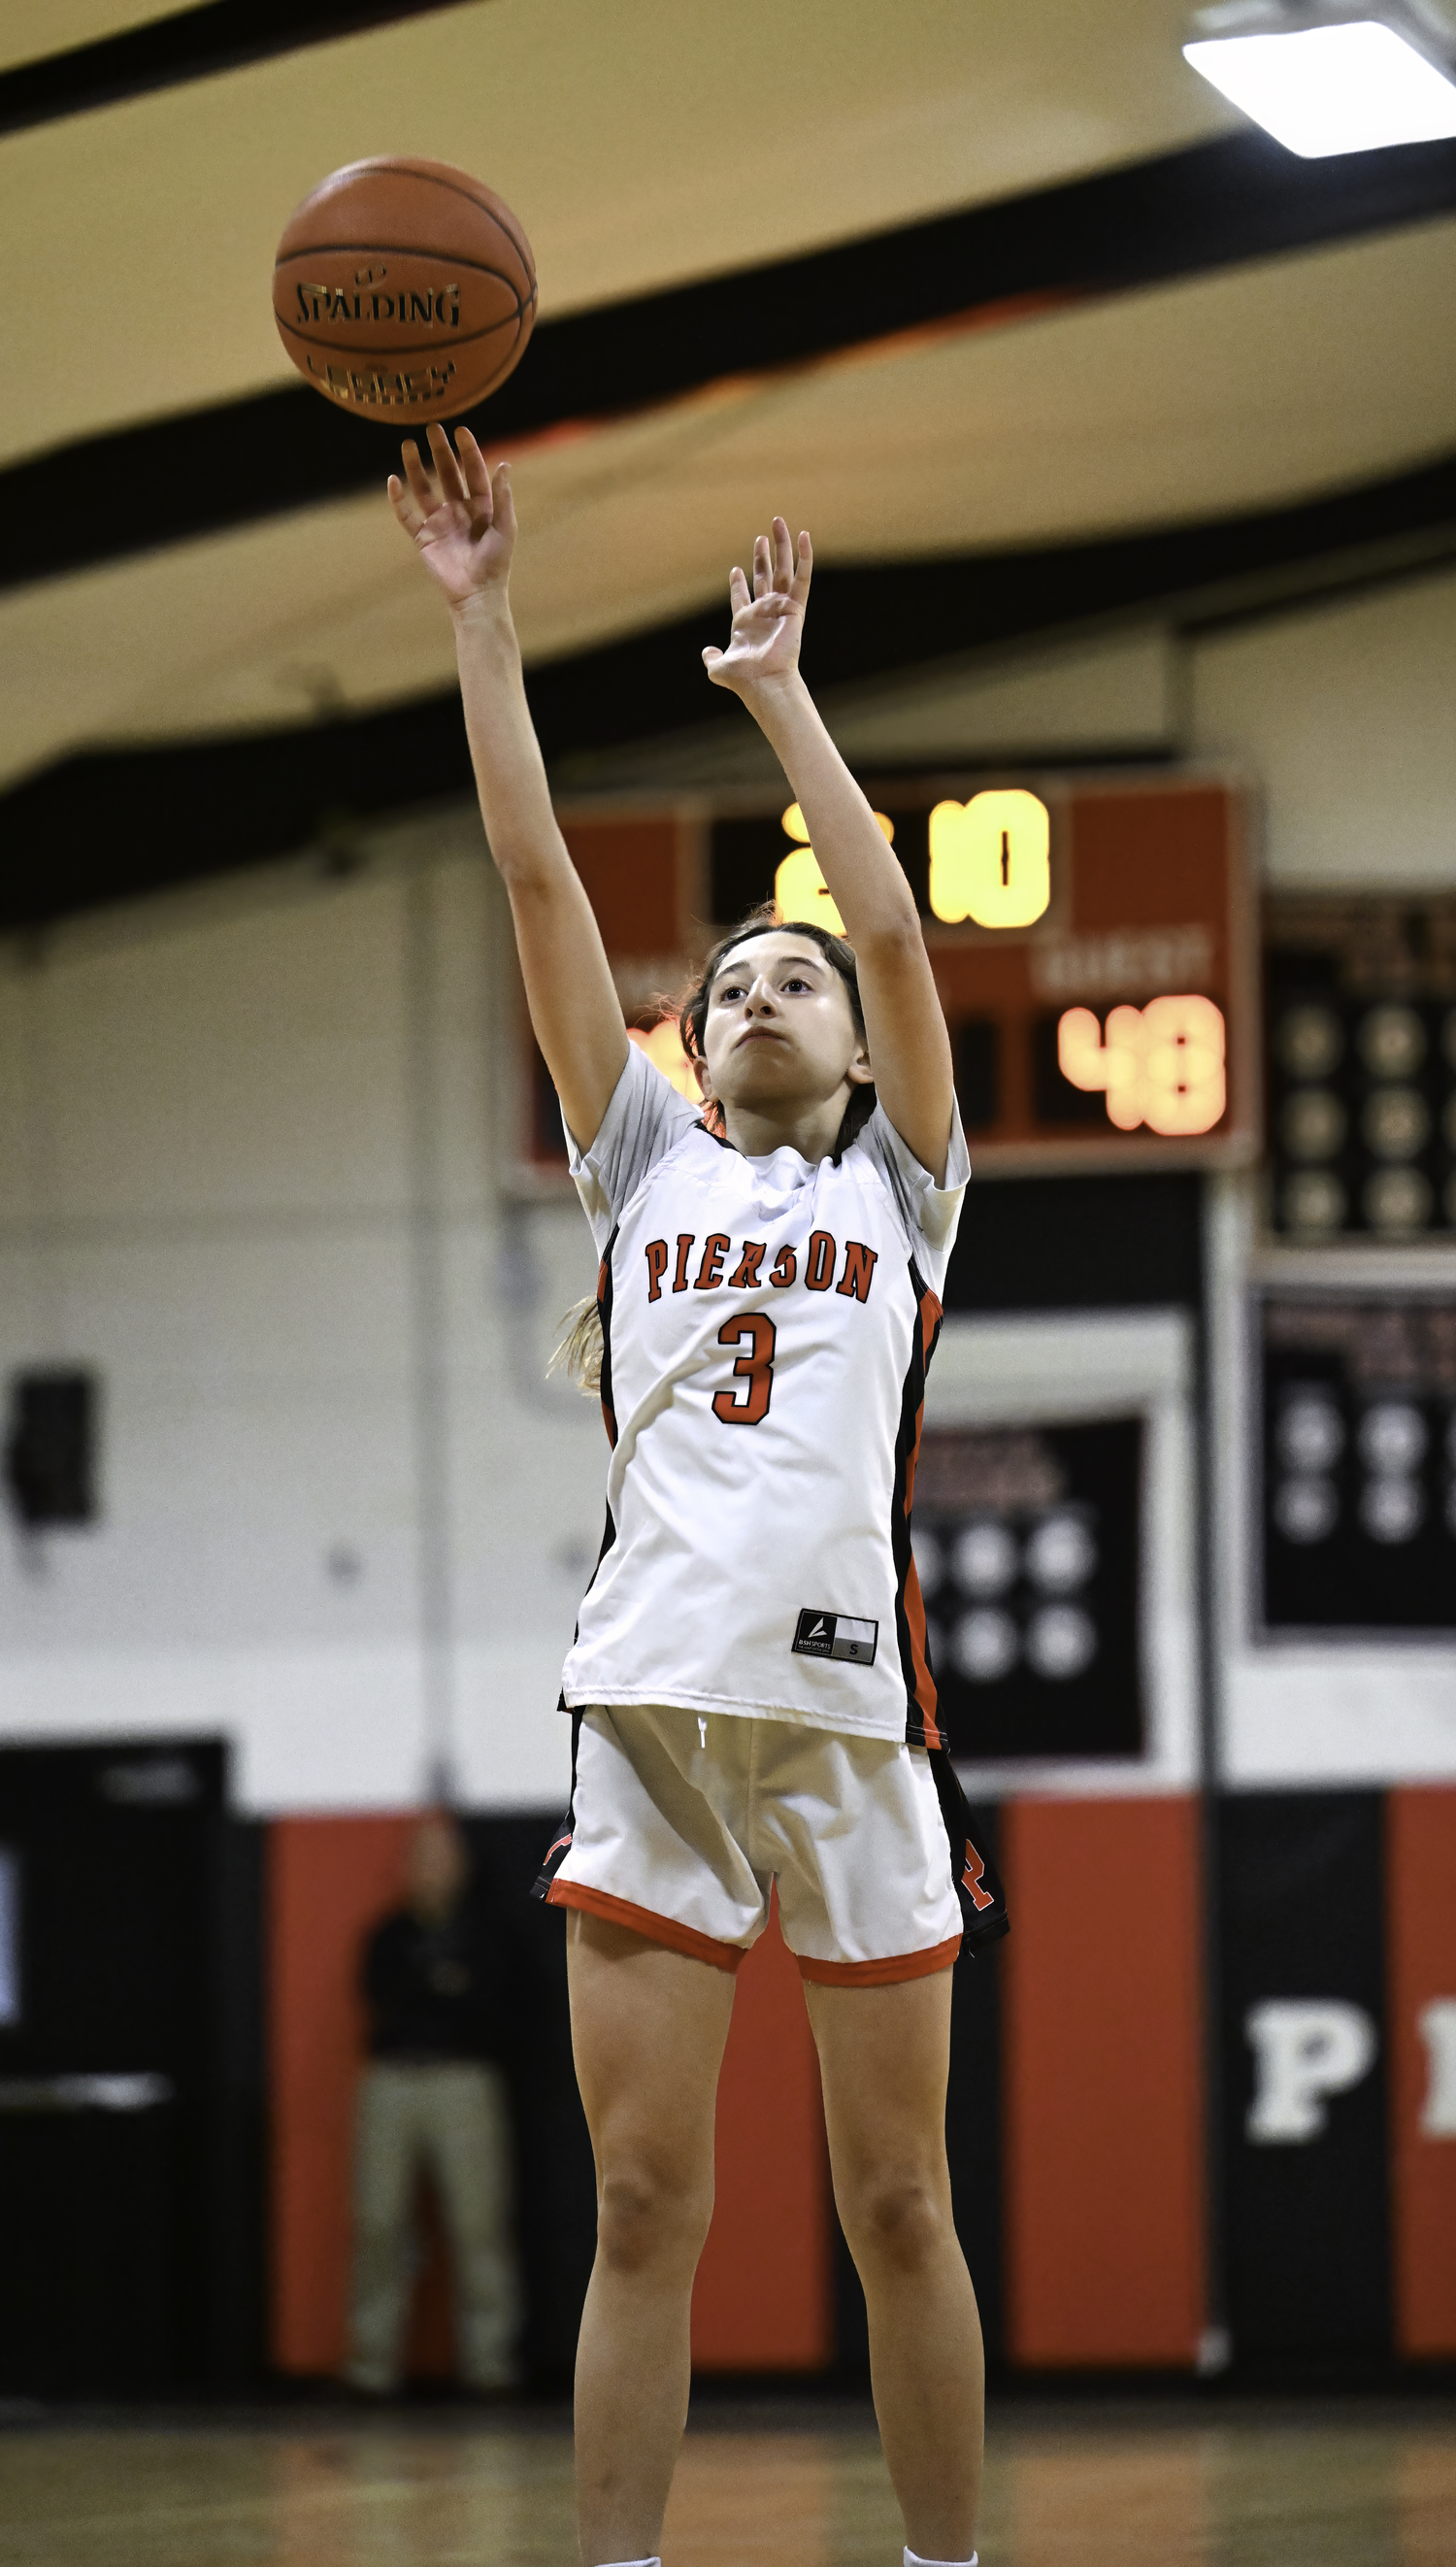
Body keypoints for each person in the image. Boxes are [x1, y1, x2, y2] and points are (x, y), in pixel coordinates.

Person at [388, 424, 1007, 2565]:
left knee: (899, 2198)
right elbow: (540, 876)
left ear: (846, 1047)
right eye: (731, 975)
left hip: (854, 1719)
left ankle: (945, 2560)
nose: (761, 988)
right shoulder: (644, 1166)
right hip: (652, 1698)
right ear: (693, 1037)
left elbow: (911, 941)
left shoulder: (903, 1191)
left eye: (793, 975)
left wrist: (780, 697)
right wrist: (483, 616)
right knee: (645, 2200)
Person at [345, 1808, 518, 2397]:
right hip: (392, 2083)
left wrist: (442, 1994)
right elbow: (382, 2000)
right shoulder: (387, 1936)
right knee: (378, 2223)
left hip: (463, 2082)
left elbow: (490, 2010)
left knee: (478, 2225)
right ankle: (371, 2368)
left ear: (462, 1867)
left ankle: (489, 2365)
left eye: (442, 1857)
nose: (430, 1869)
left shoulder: (486, 1935)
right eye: (420, 1857)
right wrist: (441, 1988)